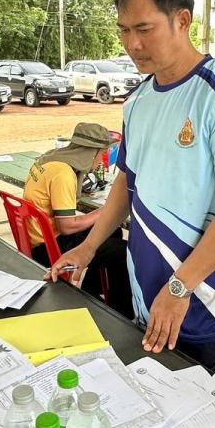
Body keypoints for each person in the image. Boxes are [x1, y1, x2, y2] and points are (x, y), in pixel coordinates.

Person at [50, 0, 215, 374]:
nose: (132, 44)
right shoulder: (138, 101)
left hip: (200, 295)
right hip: (144, 284)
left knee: (192, 414)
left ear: (182, 20)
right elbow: (127, 181)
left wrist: (181, 286)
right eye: (124, 30)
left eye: (144, 29)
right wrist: (89, 246)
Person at [24, 122, 133, 318]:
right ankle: (121, 312)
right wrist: (107, 211)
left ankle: (91, 291)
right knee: (123, 251)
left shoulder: (49, 160)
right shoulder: (64, 174)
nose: (101, 162)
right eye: (101, 155)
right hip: (48, 247)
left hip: (36, 236)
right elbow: (66, 227)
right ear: (90, 153)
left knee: (111, 231)